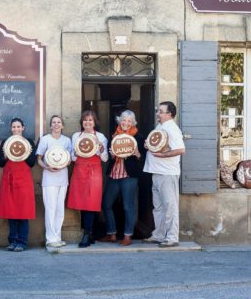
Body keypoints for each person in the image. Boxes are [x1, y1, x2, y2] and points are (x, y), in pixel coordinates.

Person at [143, 101, 185, 247]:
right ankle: (159, 235)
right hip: (157, 171)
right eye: (158, 111)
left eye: (160, 111)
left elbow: (180, 149)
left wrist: (162, 155)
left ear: (169, 114)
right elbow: (158, 145)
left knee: (170, 206)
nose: (157, 114)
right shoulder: (161, 127)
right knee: (159, 207)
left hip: (167, 173)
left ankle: (172, 237)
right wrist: (148, 145)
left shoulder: (172, 128)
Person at [100, 110, 145, 246]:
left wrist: (137, 153)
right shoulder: (114, 136)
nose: (126, 123)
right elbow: (110, 156)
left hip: (129, 176)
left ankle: (127, 236)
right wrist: (113, 154)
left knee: (128, 206)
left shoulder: (138, 137)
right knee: (106, 204)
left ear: (133, 123)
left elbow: (143, 158)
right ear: (120, 121)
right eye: (124, 120)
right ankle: (112, 233)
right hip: (114, 174)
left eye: (129, 121)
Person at [67, 110, 108, 248]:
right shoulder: (76, 136)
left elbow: (105, 158)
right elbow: (72, 157)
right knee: (81, 202)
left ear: (95, 122)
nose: (88, 122)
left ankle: (86, 234)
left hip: (94, 171)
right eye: (85, 120)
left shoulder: (101, 136)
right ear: (82, 122)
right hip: (79, 170)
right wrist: (77, 153)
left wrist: (100, 147)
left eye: (90, 120)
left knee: (90, 203)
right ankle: (89, 233)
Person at [0, 118, 36, 252]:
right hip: (8, 180)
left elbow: (32, 163)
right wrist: (7, 155)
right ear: (11, 128)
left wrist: (21, 151)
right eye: (13, 127)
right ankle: (13, 241)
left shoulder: (29, 142)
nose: (16, 129)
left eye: (18, 126)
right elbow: (1, 163)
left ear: (23, 128)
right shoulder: (5, 142)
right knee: (11, 212)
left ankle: (22, 242)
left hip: (24, 180)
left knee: (23, 212)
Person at [36, 115, 71, 248]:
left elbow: (69, 159)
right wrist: (47, 167)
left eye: (59, 122)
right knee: (50, 208)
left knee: (59, 209)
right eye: (54, 122)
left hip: (62, 178)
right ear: (50, 126)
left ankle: (57, 236)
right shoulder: (45, 139)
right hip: (49, 178)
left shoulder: (66, 140)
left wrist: (64, 165)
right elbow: (39, 159)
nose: (56, 124)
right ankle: (50, 239)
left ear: (62, 126)